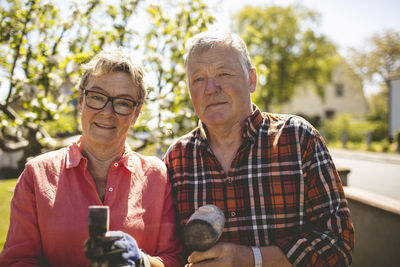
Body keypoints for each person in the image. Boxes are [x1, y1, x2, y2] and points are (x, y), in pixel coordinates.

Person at [164, 31, 354, 267]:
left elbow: (337, 244)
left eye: (223, 73)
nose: (210, 88)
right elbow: (169, 251)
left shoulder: (298, 139)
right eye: (198, 79)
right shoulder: (177, 159)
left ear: (251, 80)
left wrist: (251, 259)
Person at [0, 49, 183, 267]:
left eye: (123, 102)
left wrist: (143, 262)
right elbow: (18, 261)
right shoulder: (37, 174)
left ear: (136, 113)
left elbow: (175, 259)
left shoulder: (156, 176)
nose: (107, 112)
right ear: (80, 101)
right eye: (97, 97)